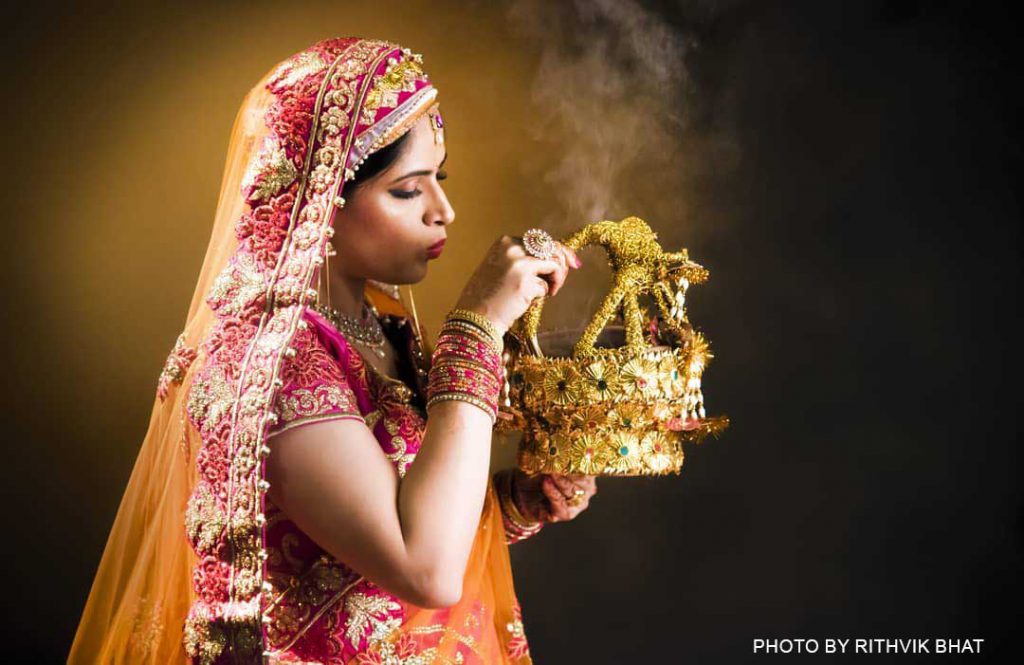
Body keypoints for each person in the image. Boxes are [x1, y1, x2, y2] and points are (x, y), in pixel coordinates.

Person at [69, 37, 597, 664]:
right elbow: (424, 569)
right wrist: (477, 327)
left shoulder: (381, 325)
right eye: (408, 190)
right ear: (319, 203)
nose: (444, 211)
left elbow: (383, 534)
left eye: (440, 179)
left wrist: (513, 504)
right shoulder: (272, 364)